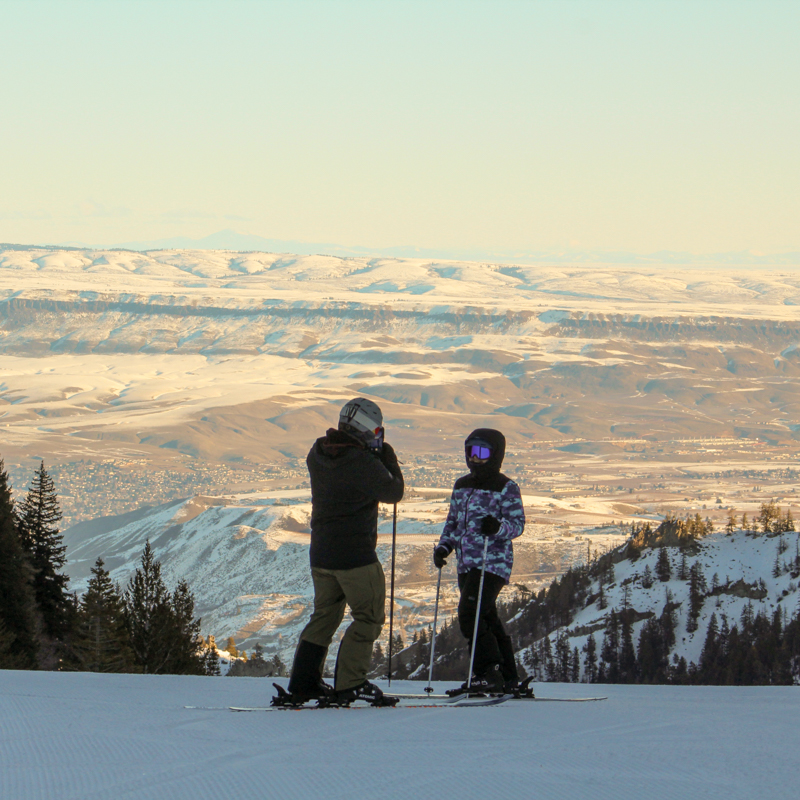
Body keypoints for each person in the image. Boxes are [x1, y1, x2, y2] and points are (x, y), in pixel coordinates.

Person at [279, 398, 404, 707]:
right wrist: (388, 457)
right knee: (369, 617)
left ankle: (303, 683)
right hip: (356, 556)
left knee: (324, 616)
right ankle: (351, 684)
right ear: (365, 429)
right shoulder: (361, 462)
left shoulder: (317, 453)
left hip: (321, 555)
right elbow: (393, 491)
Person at [433, 428, 525, 694]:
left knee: (470, 614)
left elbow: (517, 525)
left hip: (493, 562)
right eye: (471, 451)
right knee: (487, 617)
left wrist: (497, 527)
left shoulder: (505, 487)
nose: (475, 458)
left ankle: (487, 672)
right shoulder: (462, 486)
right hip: (467, 563)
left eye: (482, 452)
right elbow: (453, 522)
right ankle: (508, 677)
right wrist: (444, 547)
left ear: (495, 455)